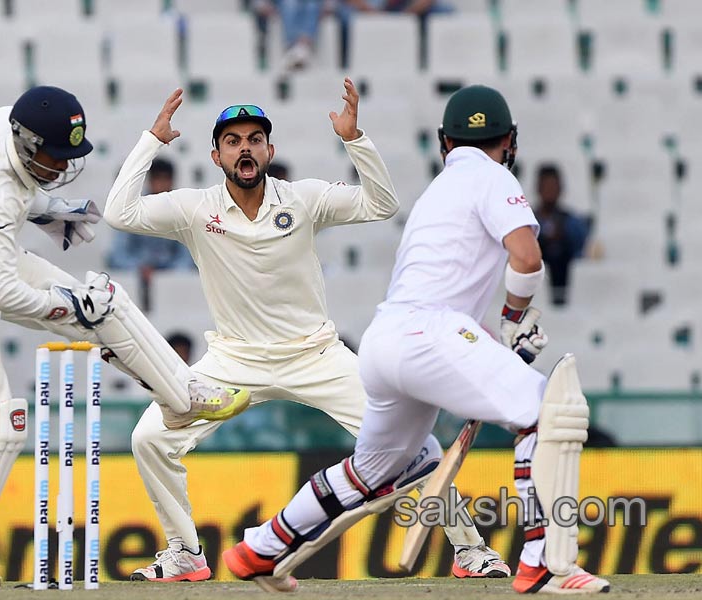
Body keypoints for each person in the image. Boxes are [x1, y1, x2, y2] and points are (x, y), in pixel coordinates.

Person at [104, 79, 509, 583]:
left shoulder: (303, 199)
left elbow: (381, 205)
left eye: (254, 139)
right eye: (233, 141)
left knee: (409, 444)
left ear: (269, 150)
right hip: (233, 362)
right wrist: (151, 140)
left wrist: (355, 138)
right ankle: (186, 553)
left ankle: (470, 551)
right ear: (216, 155)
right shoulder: (195, 208)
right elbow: (118, 213)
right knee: (148, 439)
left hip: (315, 355)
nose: (244, 148)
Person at [222, 85, 610, 594]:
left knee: (372, 470)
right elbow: (527, 257)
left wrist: (497, 337)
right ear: (510, 140)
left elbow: (453, 290)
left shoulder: (438, 191)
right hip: (433, 335)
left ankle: (259, 549)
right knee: (545, 413)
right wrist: (516, 317)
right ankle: (544, 564)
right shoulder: (494, 177)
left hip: (386, 343)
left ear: (444, 142)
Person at [0, 85, 249, 589]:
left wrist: (50, 210)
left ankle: (182, 397)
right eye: (53, 157)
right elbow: (3, 293)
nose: (61, 164)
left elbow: (18, 197)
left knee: (108, 299)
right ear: (24, 144)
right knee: (1, 424)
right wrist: (69, 306)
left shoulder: (7, 121)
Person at [107, 158, 195, 276]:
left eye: (166, 179)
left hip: (169, 276)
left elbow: (186, 256)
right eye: (158, 178)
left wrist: (166, 274)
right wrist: (139, 269)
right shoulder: (133, 208)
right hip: (135, 273)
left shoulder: (181, 210)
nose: (162, 184)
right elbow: (119, 253)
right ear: (150, 180)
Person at [532, 163, 589, 306]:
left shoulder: (573, 222)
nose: (550, 191)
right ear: (538, 188)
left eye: (553, 186)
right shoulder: (528, 222)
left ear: (560, 189)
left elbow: (581, 253)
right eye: (546, 187)